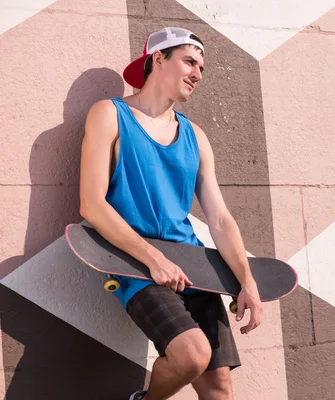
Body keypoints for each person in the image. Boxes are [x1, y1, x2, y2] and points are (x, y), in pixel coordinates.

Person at [79, 27, 263, 400]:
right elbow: (91, 205)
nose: (198, 73)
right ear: (157, 59)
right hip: (136, 264)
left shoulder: (195, 135)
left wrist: (248, 282)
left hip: (192, 266)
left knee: (219, 387)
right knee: (191, 356)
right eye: (190, 61)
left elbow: (221, 218)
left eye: (202, 67)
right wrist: (153, 259)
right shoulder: (110, 115)